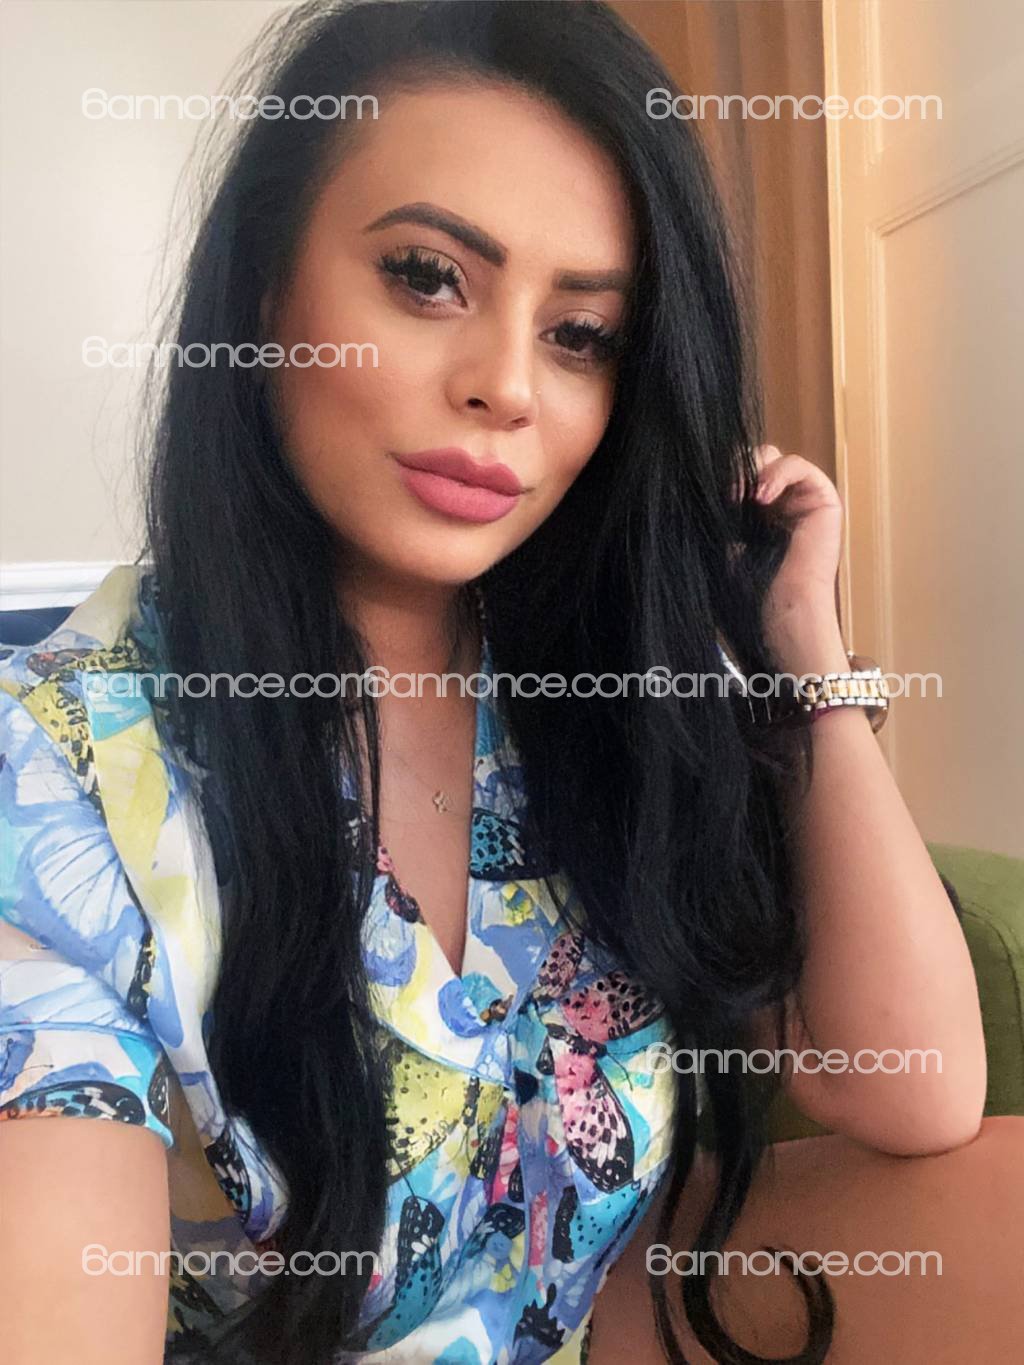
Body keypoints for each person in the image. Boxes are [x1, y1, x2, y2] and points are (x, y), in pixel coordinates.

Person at [1, 4, 1018, 1363]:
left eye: (581, 334)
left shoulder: (599, 698)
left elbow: (913, 1086)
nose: (507, 387)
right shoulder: (58, 787)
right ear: (265, 295)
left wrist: (802, 652)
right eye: (428, 277)